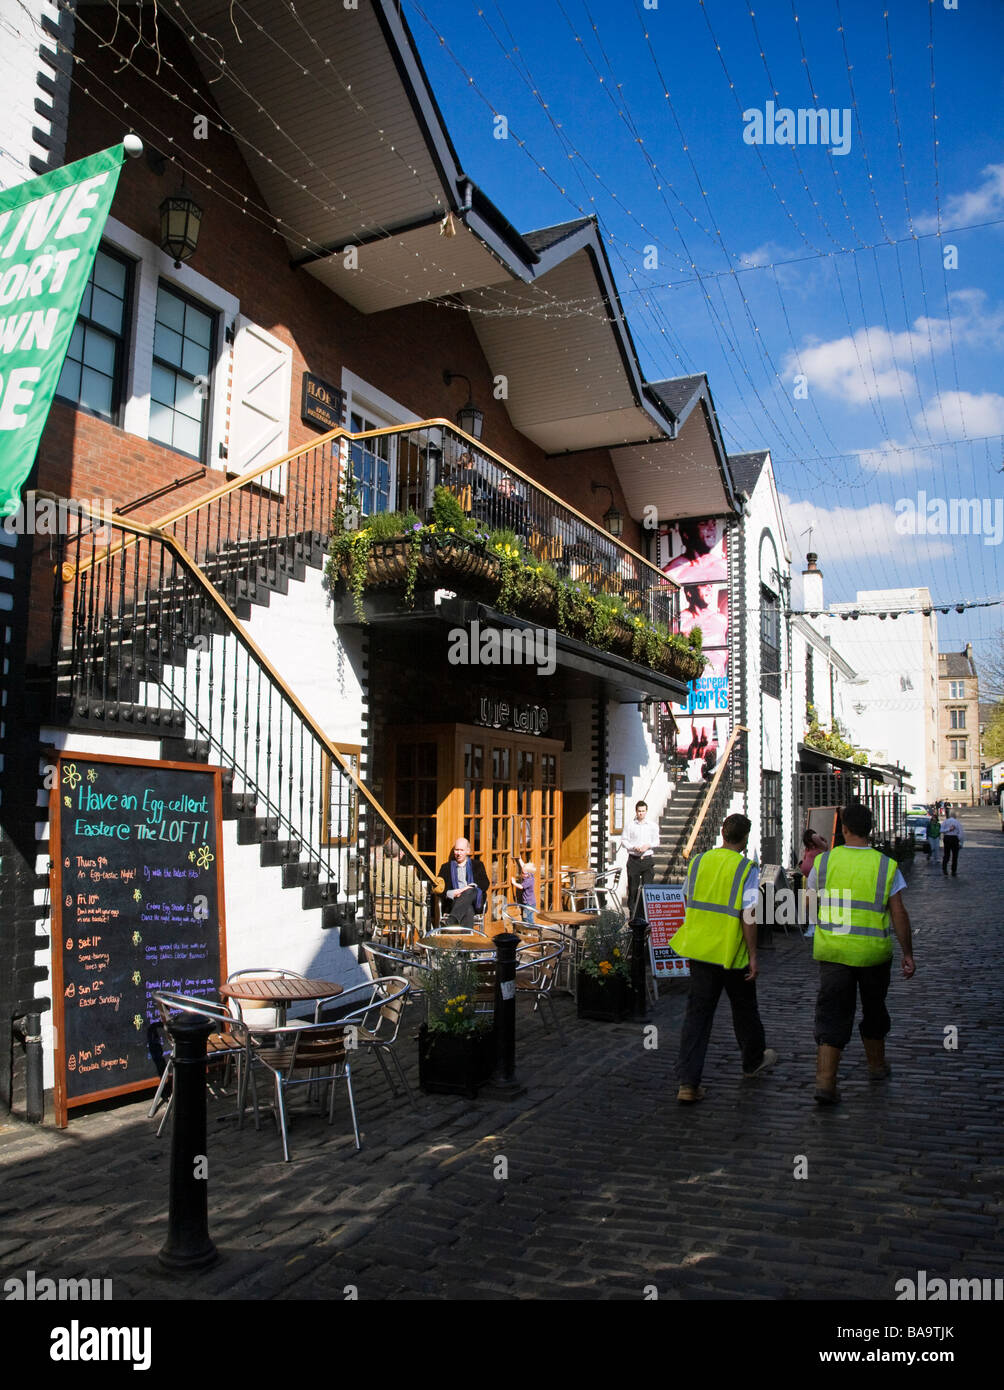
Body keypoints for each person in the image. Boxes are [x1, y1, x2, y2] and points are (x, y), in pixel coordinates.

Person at [807, 803, 915, 1105]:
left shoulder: (825, 863)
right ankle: (877, 1066)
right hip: (873, 955)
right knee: (874, 1008)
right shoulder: (885, 865)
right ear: (870, 829)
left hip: (834, 952)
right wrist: (908, 953)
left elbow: (808, 905)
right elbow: (899, 913)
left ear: (843, 829)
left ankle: (825, 1083)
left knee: (832, 1014)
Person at [672, 814, 777, 1103]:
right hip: (732, 952)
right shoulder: (746, 868)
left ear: (721, 833)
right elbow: (749, 914)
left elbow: (688, 899)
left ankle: (688, 1083)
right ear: (745, 839)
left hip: (701, 950)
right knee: (744, 1009)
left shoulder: (699, 861)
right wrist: (754, 955)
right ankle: (752, 1061)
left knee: (697, 1017)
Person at [371, 837, 423, 937]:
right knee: (421, 909)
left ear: (385, 852)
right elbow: (420, 896)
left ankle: (379, 935)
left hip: (379, 915)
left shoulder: (373, 870)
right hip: (401, 917)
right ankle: (425, 941)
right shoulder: (406, 873)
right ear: (401, 854)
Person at [620, 799, 660, 922]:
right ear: (636, 812)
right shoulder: (630, 825)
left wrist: (648, 845)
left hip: (647, 859)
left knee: (647, 887)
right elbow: (624, 840)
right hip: (634, 860)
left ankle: (646, 914)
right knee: (633, 888)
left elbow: (656, 841)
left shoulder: (652, 826)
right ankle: (633, 915)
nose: (641, 813)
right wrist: (633, 847)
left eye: (643, 811)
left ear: (646, 811)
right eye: (639, 811)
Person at [437, 837, 490, 929]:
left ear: (468, 851)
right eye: (456, 850)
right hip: (454, 901)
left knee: (471, 891)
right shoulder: (446, 867)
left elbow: (485, 883)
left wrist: (466, 889)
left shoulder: (477, 865)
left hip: (475, 901)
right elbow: (439, 888)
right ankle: (466, 940)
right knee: (468, 909)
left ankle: (451, 920)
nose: (458, 853)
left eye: (461, 850)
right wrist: (453, 893)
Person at [511, 855, 536, 925]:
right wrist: (519, 859)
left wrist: (514, 883)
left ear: (529, 874)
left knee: (527, 918)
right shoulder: (530, 874)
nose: (522, 875)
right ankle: (531, 930)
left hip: (529, 903)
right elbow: (523, 866)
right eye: (522, 872)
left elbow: (521, 887)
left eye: (524, 873)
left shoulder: (529, 880)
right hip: (530, 902)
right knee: (529, 917)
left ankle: (531, 930)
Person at [940, 809, 963, 876]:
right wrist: (959, 841)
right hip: (954, 838)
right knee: (955, 856)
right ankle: (953, 870)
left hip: (947, 837)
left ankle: (944, 869)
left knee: (946, 854)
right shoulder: (957, 822)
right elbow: (961, 833)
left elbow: (941, 830)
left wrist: (947, 830)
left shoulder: (945, 822)